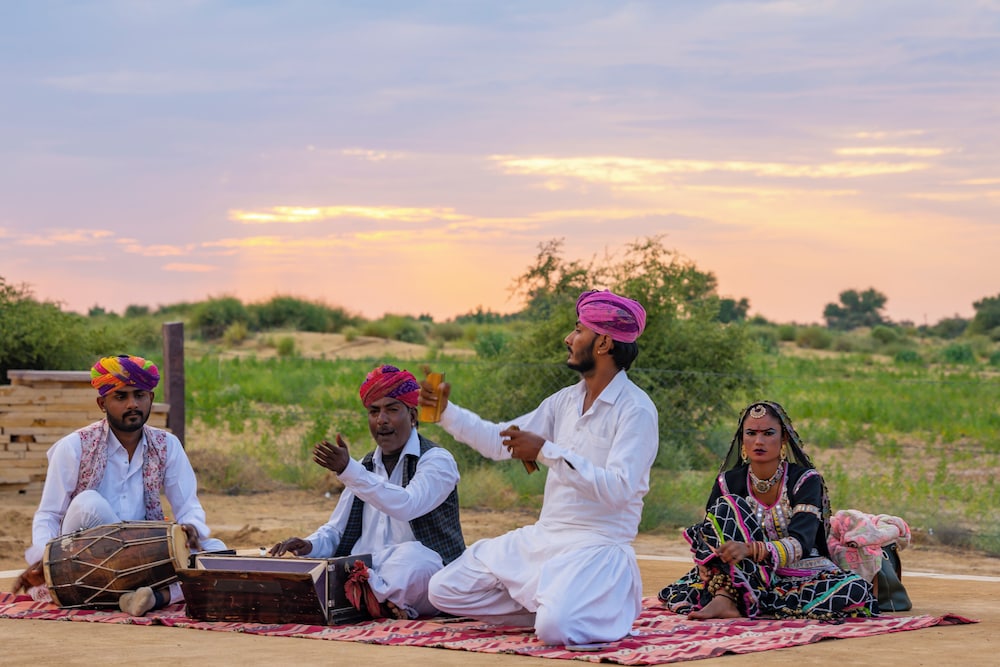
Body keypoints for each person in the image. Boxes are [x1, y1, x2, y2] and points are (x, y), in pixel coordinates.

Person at [421, 290, 658, 647]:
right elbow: (499, 441)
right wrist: (446, 413)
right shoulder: (563, 401)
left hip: (597, 546)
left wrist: (546, 451)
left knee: (554, 632)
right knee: (443, 590)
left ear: (604, 343)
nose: (569, 338)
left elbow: (620, 490)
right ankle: (554, 607)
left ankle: (594, 607)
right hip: (546, 537)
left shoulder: (636, 410)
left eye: (578, 330)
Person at [16, 354, 227, 616]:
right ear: (101, 403)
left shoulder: (167, 445)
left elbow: (189, 507)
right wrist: (44, 561)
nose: (132, 404)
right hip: (85, 558)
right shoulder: (75, 446)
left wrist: (192, 531)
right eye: (121, 397)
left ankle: (149, 597)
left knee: (217, 550)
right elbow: (49, 514)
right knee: (88, 502)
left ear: (150, 398)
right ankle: (157, 594)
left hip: (144, 556)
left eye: (140, 395)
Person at [270, 364, 465, 620]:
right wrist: (309, 545)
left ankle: (373, 598)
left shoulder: (437, 461)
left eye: (392, 410)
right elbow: (336, 531)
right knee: (351, 565)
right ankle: (378, 599)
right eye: (374, 412)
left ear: (413, 416)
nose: (381, 420)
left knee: (416, 561)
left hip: (416, 571)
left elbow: (407, 505)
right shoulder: (365, 467)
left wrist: (349, 471)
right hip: (368, 570)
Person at [657, 400, 877, 620]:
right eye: (751, 433)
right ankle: (730, 596)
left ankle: (743, 599)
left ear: (784, 438)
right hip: (738, 574)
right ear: (742, 439)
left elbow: (802, 542)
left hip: (798, 572)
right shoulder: (728, 482)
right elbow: (709, 534)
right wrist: (709, 561)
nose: (758, 441)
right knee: (726, 507)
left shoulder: (805, 480)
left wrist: (750, 549)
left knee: (854, 590)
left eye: (768, 433)